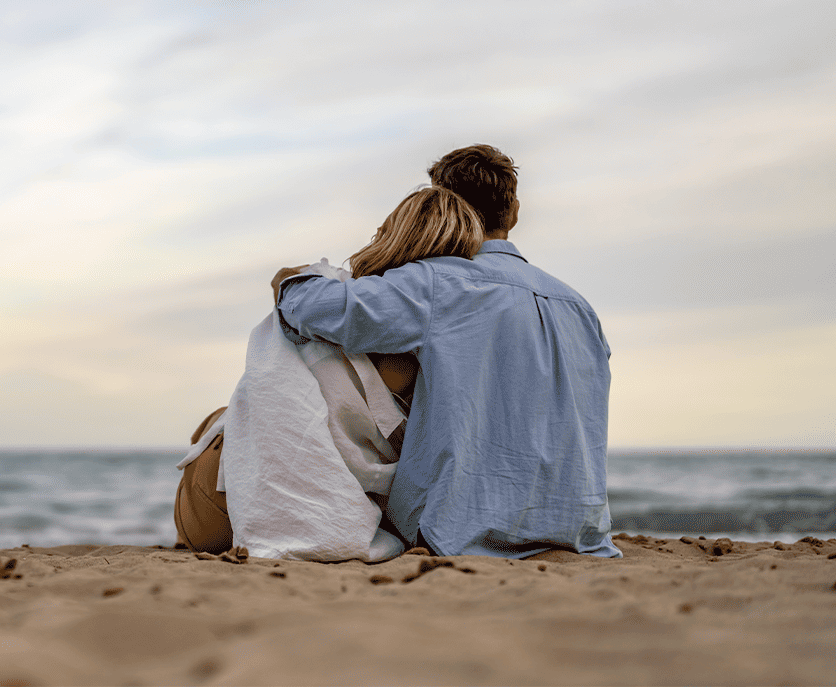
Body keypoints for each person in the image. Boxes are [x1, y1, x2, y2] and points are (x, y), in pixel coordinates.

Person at [274, 144, 620, 558]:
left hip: (460, 532)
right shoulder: (579, 307)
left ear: (447, 204)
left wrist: (291, 281)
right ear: (514, 212)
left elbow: (320, 310)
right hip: (580, 536)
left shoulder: (436, 284)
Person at [173, 185, 487, 559]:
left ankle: (187, 532)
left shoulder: (348, 303)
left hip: (228, 505)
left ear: (394, 239)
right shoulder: (464, 335)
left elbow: (283, 282)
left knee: (221, 419)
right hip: (366, 507)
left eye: (383, 232)